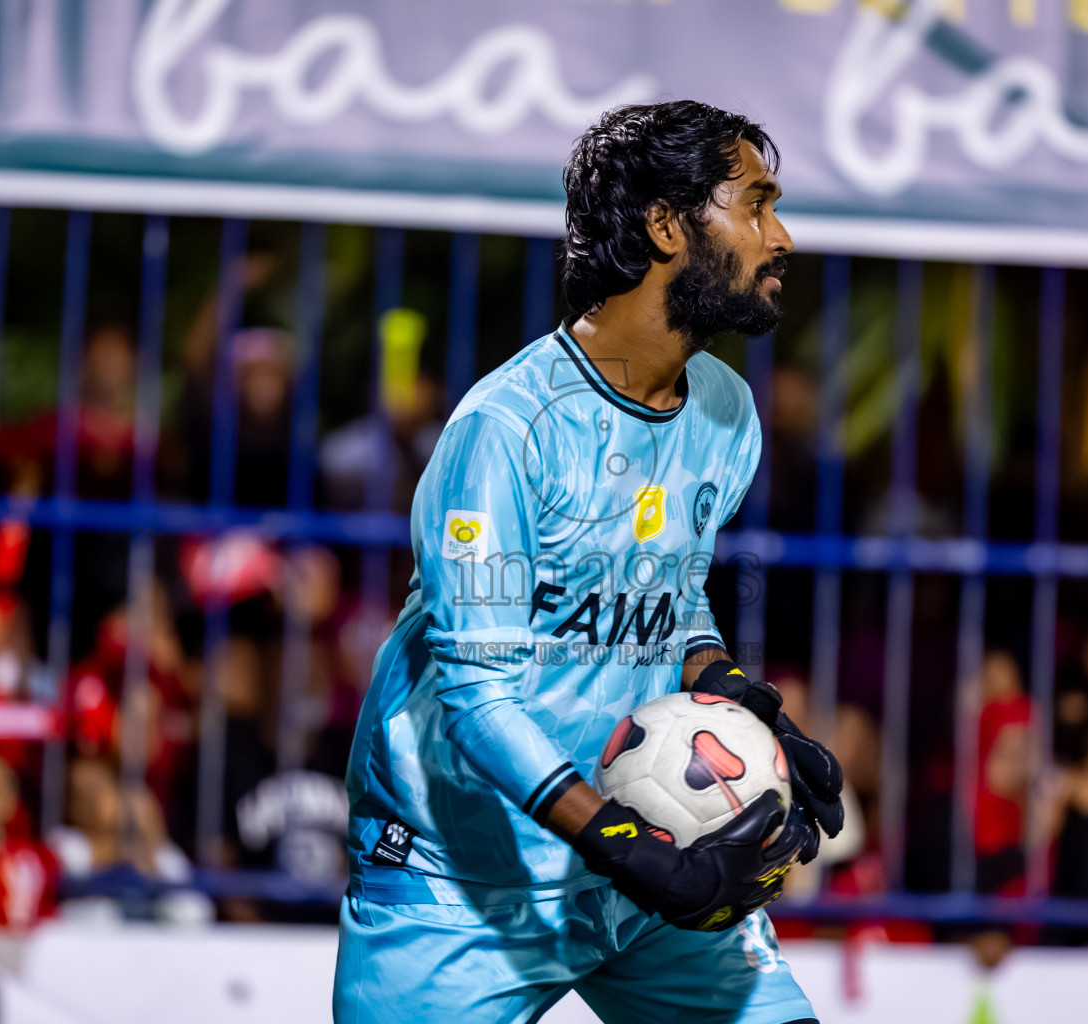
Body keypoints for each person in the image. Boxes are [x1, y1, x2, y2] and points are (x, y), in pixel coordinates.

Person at [333, 102, 842, 1024]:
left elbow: (670, 598)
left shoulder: (725, 409)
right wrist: (631, 849)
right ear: (664, 225)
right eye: (758, 205)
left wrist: (744, 705)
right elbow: (477, 698)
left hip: (635, 872)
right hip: (463, 888)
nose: (783, 236)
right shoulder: (506, 433)